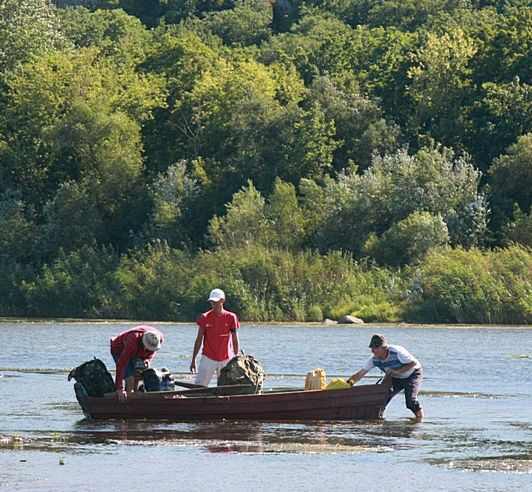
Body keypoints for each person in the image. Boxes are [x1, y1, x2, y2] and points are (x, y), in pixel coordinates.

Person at [347, 334, 424, 420]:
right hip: (394, 377)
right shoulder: (373, 360)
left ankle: (419, 420)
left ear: (384, 348)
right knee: (381, 398)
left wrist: (397, 372)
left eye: (376, 347)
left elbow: (413, 363)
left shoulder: (397, 352)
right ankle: (378, 419)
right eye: (371, 347)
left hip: (412, 374)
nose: (373, 350)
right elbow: (359, 374)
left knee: (410, 402)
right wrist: (347, 384)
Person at [190, 288, 240, 386]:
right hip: (208, 358)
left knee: (225, 388)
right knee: (199, 387)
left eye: (216, 302)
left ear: (222, 301)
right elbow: (199, 339)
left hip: (226, 359)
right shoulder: (205, 317)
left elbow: (235, 338)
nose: (214, 304)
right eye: (212, 302)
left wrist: (236, 357)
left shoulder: (231, 317)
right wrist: (193, 359)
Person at [110, 325, 164, 401]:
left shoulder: (159, 338)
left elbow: (151, 353)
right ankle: (127, 403)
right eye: (148, 347)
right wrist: (119, 388)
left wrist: (147, 361)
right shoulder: (132, 342)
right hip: (119, 349)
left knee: (138, 373)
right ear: (144, 343)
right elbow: (121, 365)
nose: (148, 350)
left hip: (138, 350)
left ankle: (134, 396)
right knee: (130, 379)